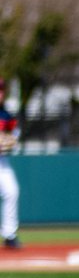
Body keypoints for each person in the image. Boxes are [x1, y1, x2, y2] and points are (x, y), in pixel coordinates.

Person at [0, 77, 21, 248]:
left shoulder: (6, 114)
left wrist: (12, 139)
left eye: (1, 90)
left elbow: (15, 134)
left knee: (11, 191)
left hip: (1, 161)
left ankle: (9, 234)